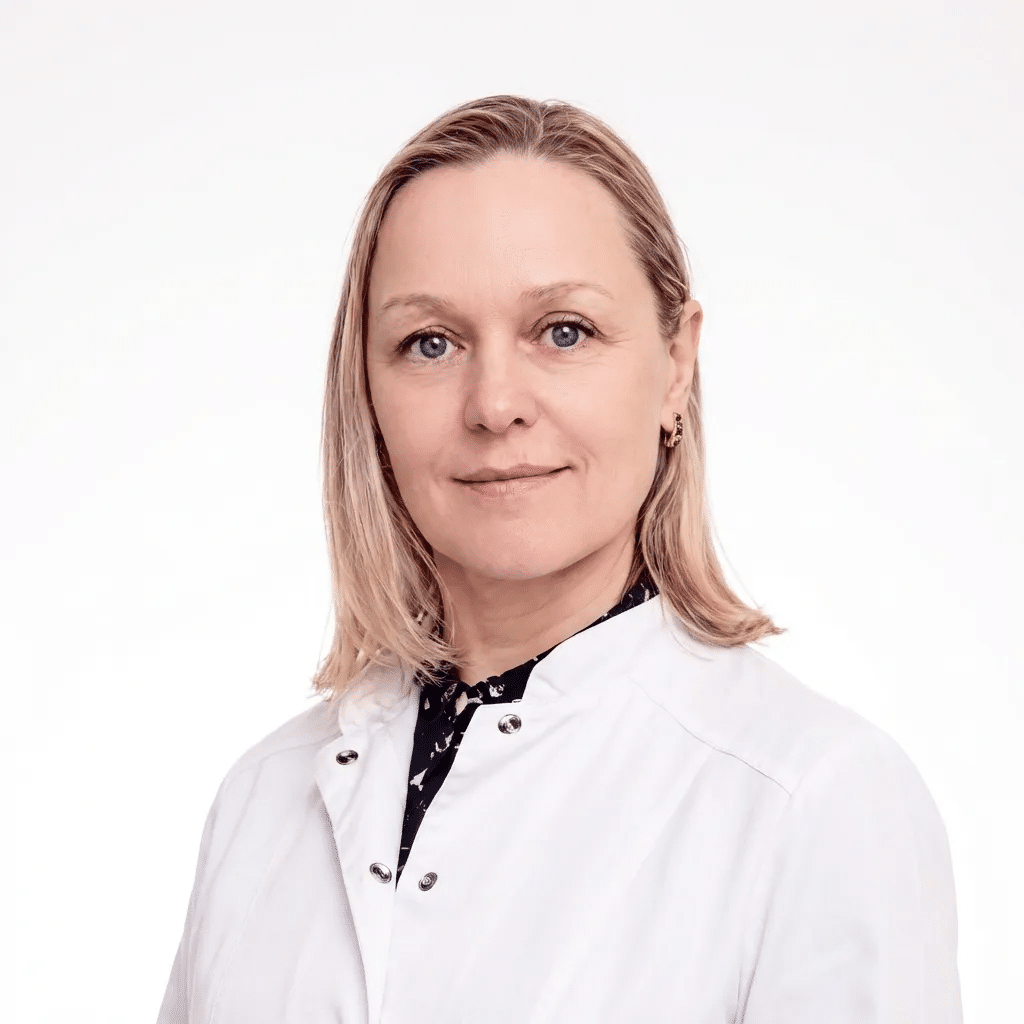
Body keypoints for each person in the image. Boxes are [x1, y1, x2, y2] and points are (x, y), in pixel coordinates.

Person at [157, 95, 963, 1023]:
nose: (494, 403)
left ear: (675, 365)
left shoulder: (814, 799)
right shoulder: (260, 802)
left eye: (563, 331)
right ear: (366, 391)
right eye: (430, 343)